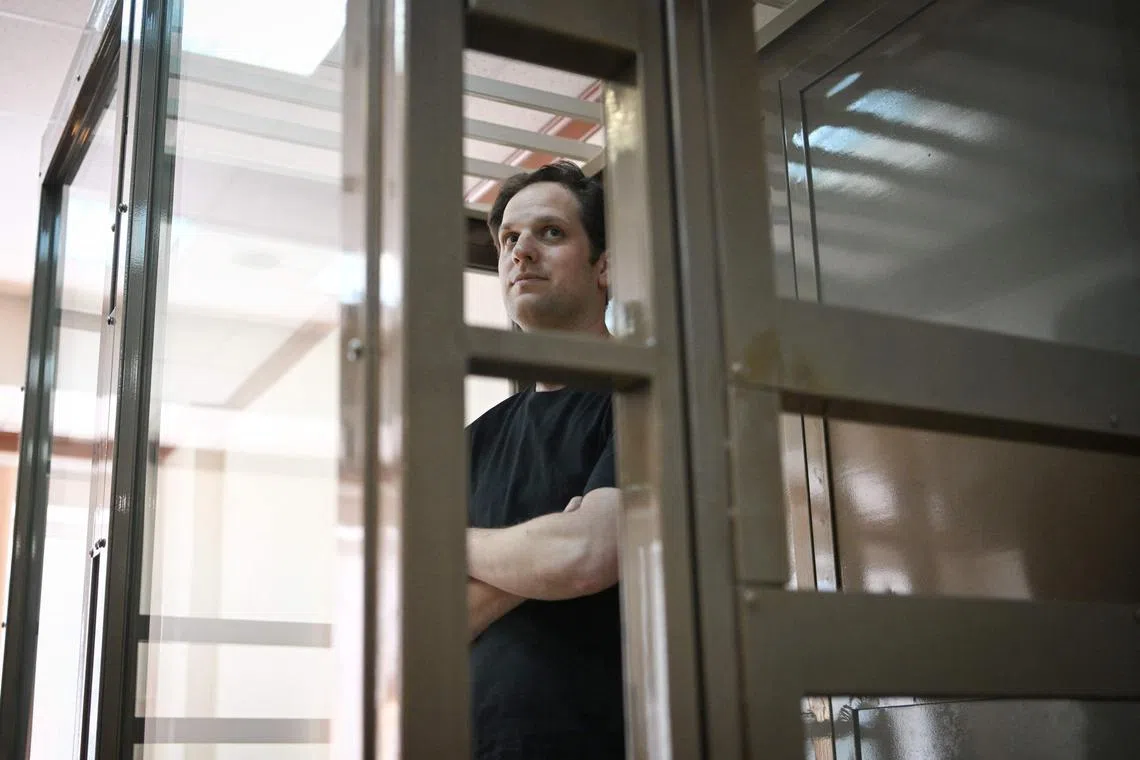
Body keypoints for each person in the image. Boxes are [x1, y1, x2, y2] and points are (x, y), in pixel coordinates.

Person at [465, 160, 624, 760]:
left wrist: (452, 546)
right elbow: (421, 623)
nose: (521, 252)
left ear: (603, 266)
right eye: (509, 239)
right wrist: (547, 548)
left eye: (550, 233)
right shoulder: (475, 440)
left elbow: (586, 556)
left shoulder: (643, 399)